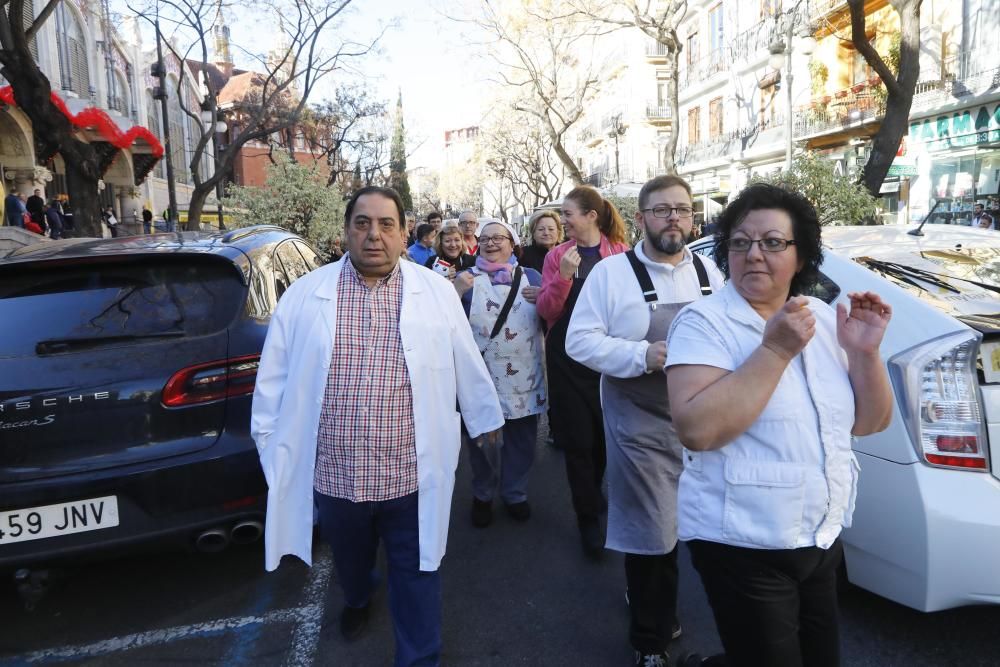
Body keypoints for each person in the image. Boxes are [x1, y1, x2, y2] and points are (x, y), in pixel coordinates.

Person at [251, 185, 504, 667]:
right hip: (336, 476)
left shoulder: (434, 293)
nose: (374, 235)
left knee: (418, 570)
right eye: (362, 223)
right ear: (346, 231)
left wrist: (484, 418)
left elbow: (465, 359)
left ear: (405, 233)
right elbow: (273, 381)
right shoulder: (307, 295)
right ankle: (359, 596)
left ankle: (420, 657)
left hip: (410, 474)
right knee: (352, 561)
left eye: (387, 224)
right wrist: (272, 451)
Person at [665, 183, 894, 667]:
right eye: (741, 242)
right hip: (741, 542)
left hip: (819, 536)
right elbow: (697, 430)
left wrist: (865, 352)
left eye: (772, 242)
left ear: (802, 253)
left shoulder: (825, 321)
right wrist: (774, 351)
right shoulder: (703, 323)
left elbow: (871, 423)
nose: (754, 255)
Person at [566, 175, 725, 666]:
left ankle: (687, 617)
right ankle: (650, 642)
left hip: (703, 420)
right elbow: (579, 341)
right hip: (639, 423)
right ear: (641, 218)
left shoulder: (711, 272)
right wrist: (642, 355)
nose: (673, 217)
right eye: (661, 210)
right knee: (652, 536)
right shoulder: (611, 276)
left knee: (708, 530)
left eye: (682, 208)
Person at [536, 185, 630, 559]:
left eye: (568, 214)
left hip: (608, 359)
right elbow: (546, 310)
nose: (563, 221)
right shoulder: (558, 255)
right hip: (566, 360)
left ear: (591, 216)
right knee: (578, 443)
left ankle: (592, 489)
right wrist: (562, 276)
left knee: (604, 441)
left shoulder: (622, 254)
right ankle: (587, 518)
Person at [453, 220, 545, 527]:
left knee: (522, 440)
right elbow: (445, 323)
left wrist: (545, 296)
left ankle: (515, 492)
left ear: (512, 243)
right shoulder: (465, 278)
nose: (491, 243)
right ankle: (483, 493)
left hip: (525, 375)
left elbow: (551, 315)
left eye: (498, 238)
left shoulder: (531, 276)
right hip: (481, 375)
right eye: (486, 238)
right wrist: (455, 292)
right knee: (483, 440)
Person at [519, 209, 563, 274]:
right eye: (541, 229)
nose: (546, 233)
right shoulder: (521, 255)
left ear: (558, 232)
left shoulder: (567, 254)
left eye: (551, 229)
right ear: (533, 232)